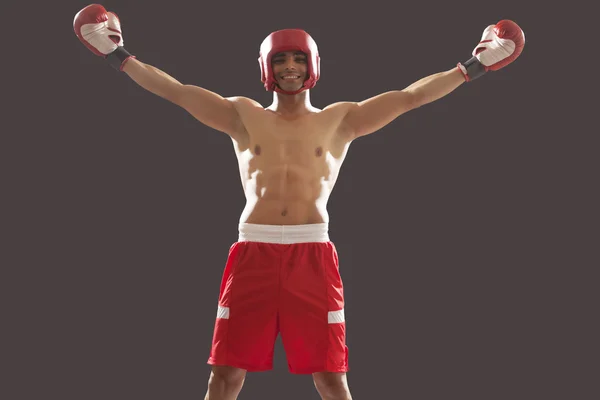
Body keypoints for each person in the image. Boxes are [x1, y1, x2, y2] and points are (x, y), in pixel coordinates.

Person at [73, 4, 525, 400]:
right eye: (281, 59)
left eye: (298, 58)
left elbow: (411, 97)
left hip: (313, 254)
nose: (290, 67)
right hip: (253, 251)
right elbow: (175, 89)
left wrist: (474, 66)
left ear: (313, 66)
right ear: (267, 67)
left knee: (332, 378)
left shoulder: (341, 119)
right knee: (225, 376)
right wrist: (116, 54)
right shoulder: (241, 115)